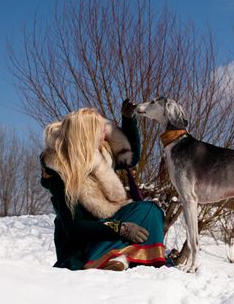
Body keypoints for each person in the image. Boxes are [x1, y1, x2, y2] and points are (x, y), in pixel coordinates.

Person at [40, 99, 166, 271]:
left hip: (107, 227)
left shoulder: (103, 155)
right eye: (99, 128)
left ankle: (124, 257)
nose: (105, 131)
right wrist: (118, 228)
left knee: (150, 210)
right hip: (82, 244)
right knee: (143, 214)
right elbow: (74, 228)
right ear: (88, 133)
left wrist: (128, 120)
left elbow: (131, 158)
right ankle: (110, 258)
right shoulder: (62, 173)